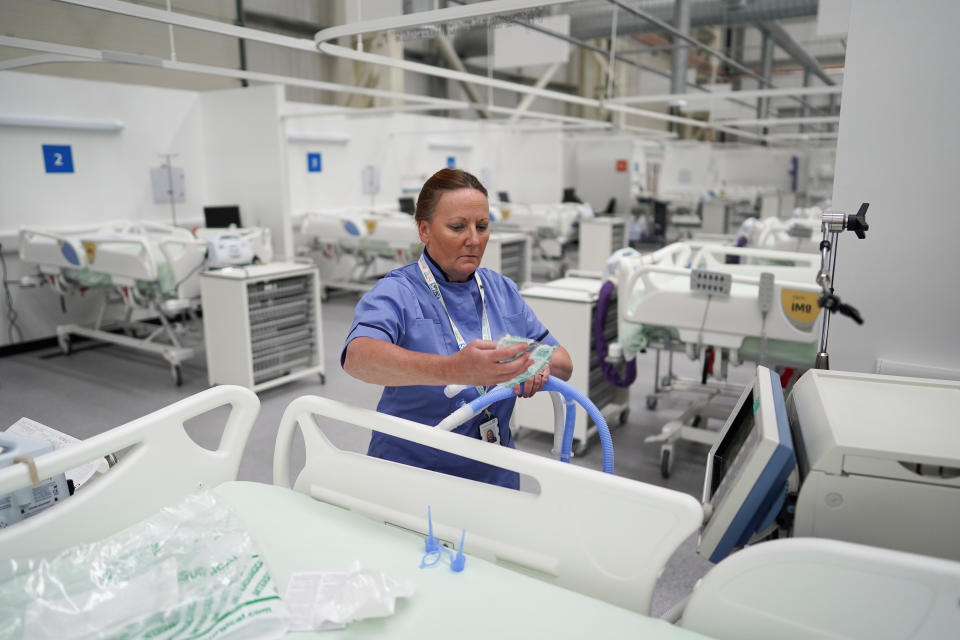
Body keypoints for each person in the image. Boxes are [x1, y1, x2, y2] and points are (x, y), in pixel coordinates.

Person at [341, 168, 573, 489]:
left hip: (494, 470)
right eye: (457, 227)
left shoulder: (500, 289)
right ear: (424, 230)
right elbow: (358, 358)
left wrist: (533, 365)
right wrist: (454, 369)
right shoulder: (398, 291)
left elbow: (563, 363)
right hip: (411, 472)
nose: (474, 240)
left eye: (482, 226)